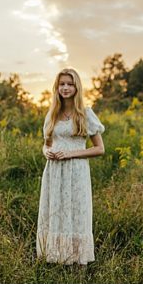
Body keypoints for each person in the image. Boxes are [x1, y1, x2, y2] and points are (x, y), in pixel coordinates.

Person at [37, 67, 105, 265]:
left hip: (77, 172)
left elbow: (99, 148)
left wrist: (70, 154)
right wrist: (46, 152)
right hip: (54, 171)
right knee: (56, 211)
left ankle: (77, 261)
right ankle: (55, 257)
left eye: (70, 84)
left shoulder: (85, 114)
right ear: (57, 87)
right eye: (62, 84)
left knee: (76, 212)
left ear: (77, 87)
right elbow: (46, 144)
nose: (65, 88)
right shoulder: (52, 115)